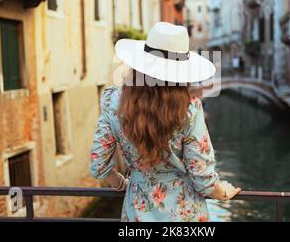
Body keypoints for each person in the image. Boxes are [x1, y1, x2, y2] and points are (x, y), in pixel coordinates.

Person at [90, 22, 241, 222]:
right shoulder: (190, 109)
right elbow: (203, 179)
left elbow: (99, 165)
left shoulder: (111, 101)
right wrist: (223, 192)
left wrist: (121, 183)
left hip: (137, 213)